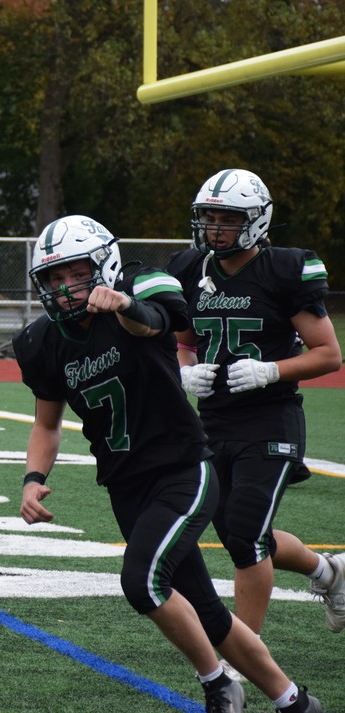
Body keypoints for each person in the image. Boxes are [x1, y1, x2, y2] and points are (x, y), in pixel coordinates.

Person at [15, 215, 322, 713]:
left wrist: (124, 304)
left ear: (103, 266)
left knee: (142, 581)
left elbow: (158, 322)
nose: (65, 287)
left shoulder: (139, 285)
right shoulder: (40, 341)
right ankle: (295, 702)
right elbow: (46, 424)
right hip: (124, 485)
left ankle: (217, 685)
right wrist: (33, 479)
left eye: (76, 273)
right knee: (209, 612)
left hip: (182, 469)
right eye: (54, 277)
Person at [168, 169, 344, 649]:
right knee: (241, 535)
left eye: (228, 219)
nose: (215, 228)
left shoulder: (283, 268)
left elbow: (329, 354)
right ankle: (329, 572)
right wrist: (184, 370)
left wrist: (271, 370)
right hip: (213, 422)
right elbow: (183, 342)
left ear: (257, 219)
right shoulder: (191, 268)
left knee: (246, 535)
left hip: (270, 419)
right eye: (209, 217)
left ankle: (243, 652)